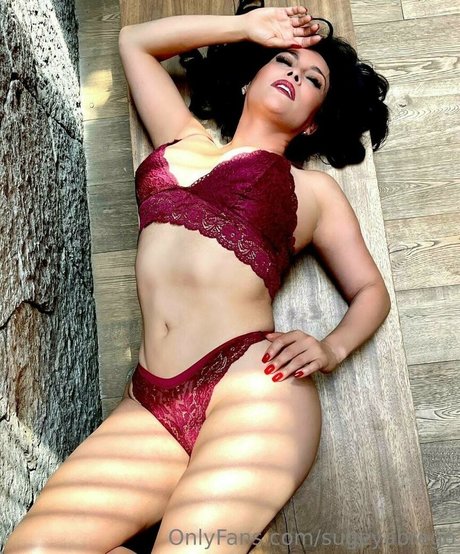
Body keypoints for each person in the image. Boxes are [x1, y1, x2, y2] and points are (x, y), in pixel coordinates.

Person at [4, 2, 392, 553]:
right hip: (150, 403)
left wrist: (331, 348)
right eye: (284, 61)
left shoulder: (314, 192)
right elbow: (135, 42)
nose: (295, 74)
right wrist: (246, 28)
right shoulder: (182, 139)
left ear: (311, 121)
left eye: (313, 81)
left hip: (255, 384)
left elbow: (370, 291)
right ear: (250, 80)